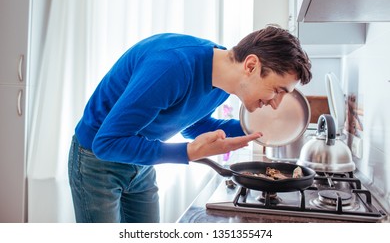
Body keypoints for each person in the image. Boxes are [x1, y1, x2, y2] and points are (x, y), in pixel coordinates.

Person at [68, 25, 312, 223]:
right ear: (251, 65)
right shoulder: (172, 66)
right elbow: (106, 143)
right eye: (278, 91)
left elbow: (192, 125)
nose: (277, 104)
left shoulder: (223, 83)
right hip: (96, 162)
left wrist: (256, 130)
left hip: (139, 161)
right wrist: (187, 153)